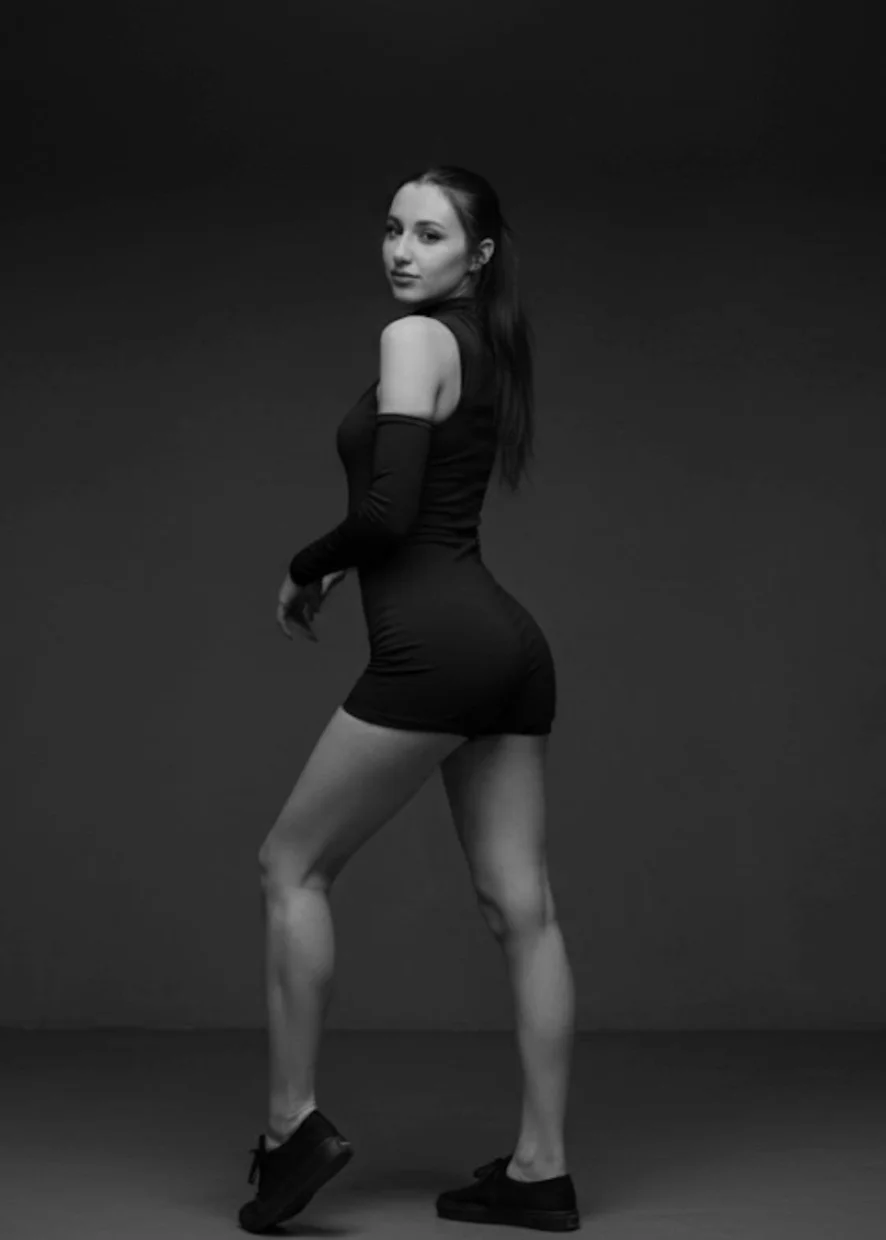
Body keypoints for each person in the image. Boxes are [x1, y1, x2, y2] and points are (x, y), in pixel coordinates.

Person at [238, 165, 580, 1233]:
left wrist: (306, 563)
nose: (400, 250)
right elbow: (417, 513)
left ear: (478, 255)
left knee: (291, 866)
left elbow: (388, 514)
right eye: (391, 228)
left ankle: (290, 1130)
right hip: (509, 649)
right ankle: (542, 1172)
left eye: (429, 234)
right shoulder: (484, 345)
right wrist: (350, 560)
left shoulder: (415, 337)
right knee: (522, 909)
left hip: (436, 650)